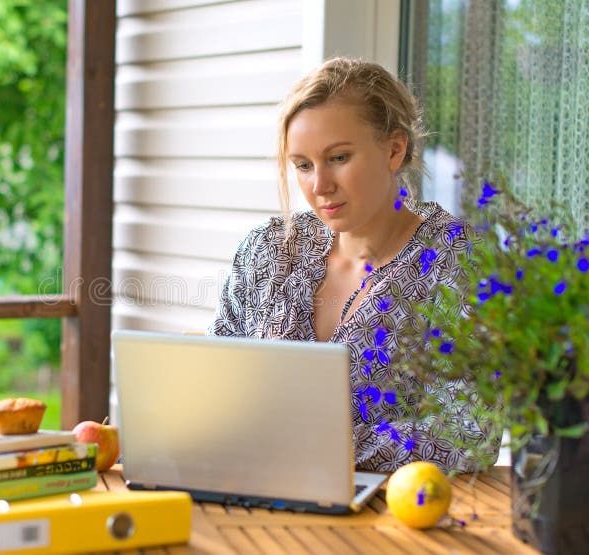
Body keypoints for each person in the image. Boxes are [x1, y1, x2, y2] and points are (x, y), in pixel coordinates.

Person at [208, 57, 496, 472]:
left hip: (385, 519)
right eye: (303, 166)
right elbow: (216, 381)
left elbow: (470, 431)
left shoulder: (457, 259)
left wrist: (318, 445)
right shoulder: (269, 249)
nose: (319, 186)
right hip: (251, 489)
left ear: (394, 149)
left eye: (339, 158)